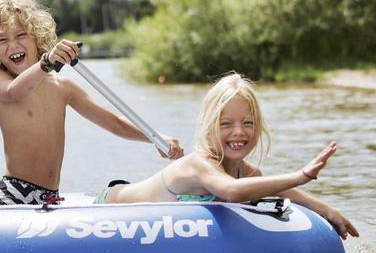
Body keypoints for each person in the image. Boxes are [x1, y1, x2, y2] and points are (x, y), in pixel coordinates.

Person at [0, 0, 183, 206]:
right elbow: (14, 92)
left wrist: (156, 137)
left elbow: (114, 123)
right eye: (2, 40)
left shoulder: (63, 88)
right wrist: (46, 63)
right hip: (14, 194)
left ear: (37, 36)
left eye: (21, 35)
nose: (13, 45)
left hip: (51, 197)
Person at [97, 72, 359, 239]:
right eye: (226, 124)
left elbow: (284, 194)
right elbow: (231, 191)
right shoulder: (200, 164)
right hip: (110, 207)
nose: (238, 132)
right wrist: (300, 175)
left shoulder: (248, 173)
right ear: (209, 127)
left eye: (247, 123)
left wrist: (328, 210)